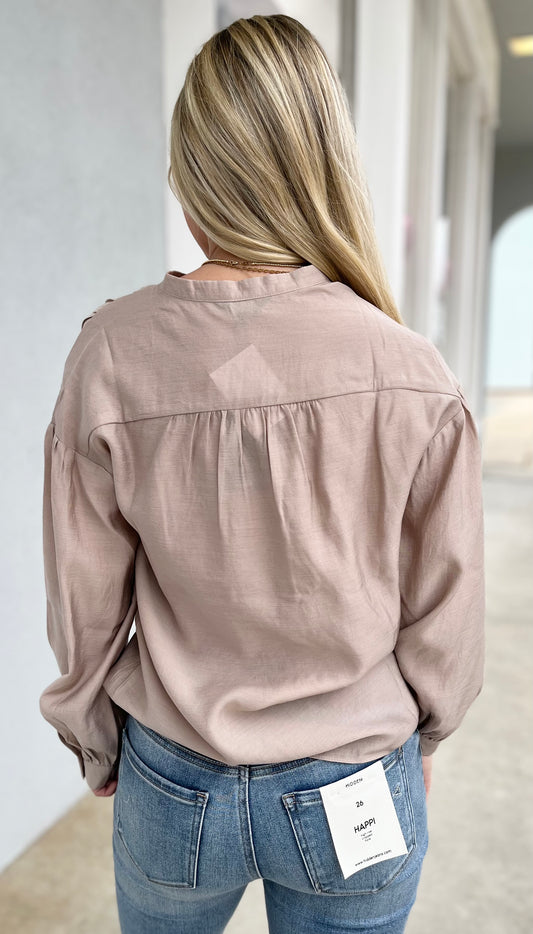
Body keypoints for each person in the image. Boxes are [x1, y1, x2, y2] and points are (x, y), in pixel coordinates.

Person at [39, 13, 485, 934]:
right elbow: (448, 608)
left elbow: (82, 606)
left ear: (192, 172)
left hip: (173, 774)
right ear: (324, 168)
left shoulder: (111, 355)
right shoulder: (410, 369)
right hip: (356, 772)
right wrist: (423, 734)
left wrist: (93, 742)